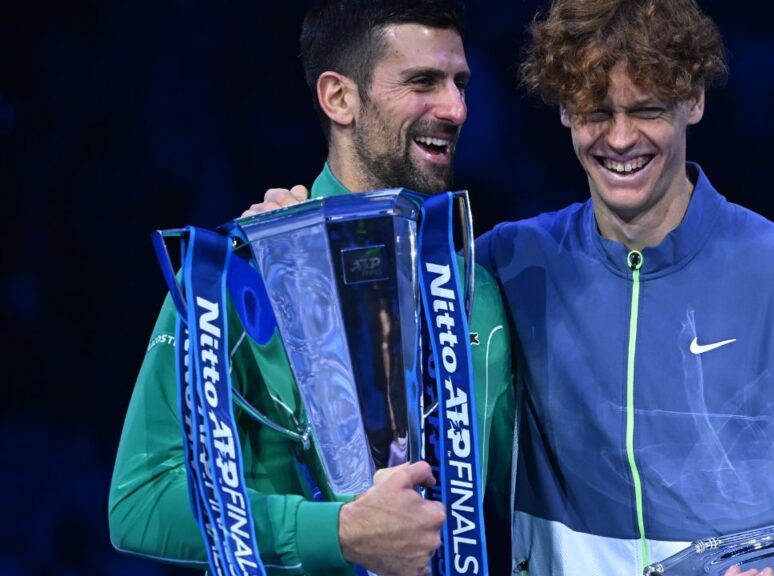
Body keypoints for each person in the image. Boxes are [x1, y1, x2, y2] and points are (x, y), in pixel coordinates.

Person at [471, 0, 774, 575]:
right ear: (563, 108)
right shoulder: (508, 264)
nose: (621, 138)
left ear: (695, 100)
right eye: (596, 112)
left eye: (648, 109)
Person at [108, 2, 513, 576]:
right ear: (338, 97)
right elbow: (140, 502)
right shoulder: (237, 276)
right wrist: (339, 533)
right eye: (423, 82)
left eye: (460, 83)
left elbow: (527, 497)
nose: (456, 108)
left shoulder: (478, 290)